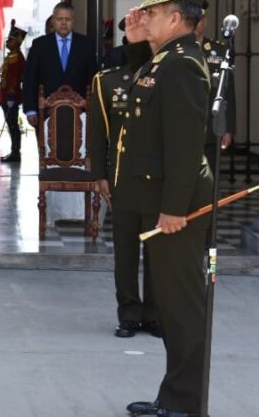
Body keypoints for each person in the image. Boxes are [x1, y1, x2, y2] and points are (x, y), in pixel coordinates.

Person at [115, 0, 214, 417]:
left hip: (176, 206)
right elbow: (137, 97)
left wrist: (174, 208)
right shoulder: (164, 60)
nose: (144, 17)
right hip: (158, 201)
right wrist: (139, 42)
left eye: (152, 13)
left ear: (176, 19)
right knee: (173, 308)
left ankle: (185, 405)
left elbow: (184, 145)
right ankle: (173, 397)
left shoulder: (183, 65)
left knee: (182, 308)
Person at [87, 27, 159, 340]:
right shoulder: (107, 81)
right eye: (134, 35)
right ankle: (129, 313)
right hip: (121, 180)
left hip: (157, 179)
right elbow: (98, 134)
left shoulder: (165, 76)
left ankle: (155, 316)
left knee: (157, 253)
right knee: (126, 253)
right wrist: (100, 176)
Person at [21, 2, 97, 127]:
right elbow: (30, 78)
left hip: (80, 113)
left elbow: (92, 78)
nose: (63, 23)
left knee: (78, 145)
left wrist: (93, 108)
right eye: (59, 19)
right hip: (45, 113)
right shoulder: (39, 45)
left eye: (67, 19)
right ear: (53, 20)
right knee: (48, 146)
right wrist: (30, 110)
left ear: (73, 21)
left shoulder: (86, 44)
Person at [195, 15, 236, 172]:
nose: (195, 25)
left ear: (205, 22)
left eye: (198, 20)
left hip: (211, 127)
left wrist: (228, 127)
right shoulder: (175, 49)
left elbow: (228, 92)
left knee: (210, 176)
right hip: (183, 127)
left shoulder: (219, 50)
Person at [0, 22, 27, 163]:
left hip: (11, 96)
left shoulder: (18, 58)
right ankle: (14, 151)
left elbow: (15, 79)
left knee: (13, 124)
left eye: (11, 40)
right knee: (11, 124)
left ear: (17, 43)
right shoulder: (11, 56)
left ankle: (16, 152)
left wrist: (11, 95)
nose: (8, 42)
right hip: (6, 95)